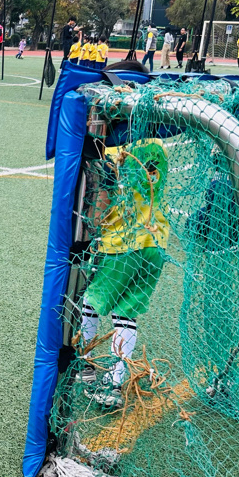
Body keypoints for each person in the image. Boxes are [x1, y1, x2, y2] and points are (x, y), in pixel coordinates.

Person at [76, 59, 168, 408]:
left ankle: (85, 365)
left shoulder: (115, 152)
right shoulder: (157, 146)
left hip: (121, 244)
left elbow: (101, 200)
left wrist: (88, 232)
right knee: (126, 313)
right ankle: (115, 381)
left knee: (90, 302)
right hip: (155, 243)